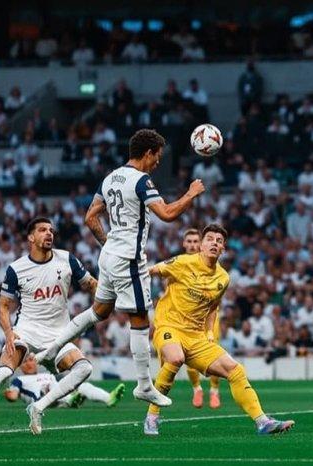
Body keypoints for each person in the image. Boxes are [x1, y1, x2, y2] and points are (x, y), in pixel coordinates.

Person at [35, 129, 206, 408]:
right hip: (128, 258)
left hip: (109, 256)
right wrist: (191, 193)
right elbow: (167, 214)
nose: (158, 162)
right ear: (148, 153)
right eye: (157, 157)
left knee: (99, 311)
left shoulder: (110, 177)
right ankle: (145, 386)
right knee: (140, 319)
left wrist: (109, 243)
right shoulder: (141, 180)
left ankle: (51, 349)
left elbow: (90, 217)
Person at [0, 217, 99, 436]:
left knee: (85, 368)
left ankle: (38, 407)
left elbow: (92, 284)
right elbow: (3, 307)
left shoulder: (67, 259)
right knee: (4, 371)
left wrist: (104, 299)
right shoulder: (16, 269)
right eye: (42, 230)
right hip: (27, 331)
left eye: (51, 230)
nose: (49, 233)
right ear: (31, 237)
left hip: (59, 334)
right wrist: (8, 333)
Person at [143, 224, 294, 435]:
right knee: (175, 358)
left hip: (196, 337)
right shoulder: (182, 262)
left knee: (235, 370)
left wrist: (208, 332)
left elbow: (213, 307)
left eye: (219, 241)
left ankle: (262, 422)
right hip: (169, 327)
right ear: (201, 245)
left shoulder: (223, 278)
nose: (214, 243)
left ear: (223, 249)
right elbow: (149, 271)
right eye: (210, 239)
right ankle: (152, 417)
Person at [177, 229, 223, 409]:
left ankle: (214, 390)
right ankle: (197, 388)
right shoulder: (180, 263)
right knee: (188, 356)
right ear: (184, 244)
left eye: (195, 241)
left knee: (213, 353)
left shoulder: (211, 262)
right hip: (187, 318)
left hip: (209, 316)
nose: (192, 245)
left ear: (201, 244)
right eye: (189, 241)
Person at [4, 355, 125, 409]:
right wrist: (10, 395)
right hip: (41, 401)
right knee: (50, 386)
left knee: (84, 386)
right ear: (20, 367)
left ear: (36, 362)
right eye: (25, 362)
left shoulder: (47, 374)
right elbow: (13, 394)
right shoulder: (19, 380)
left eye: (31, 360)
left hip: (58, 398)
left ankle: (109, 398)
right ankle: (71, 400)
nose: (29, 364)